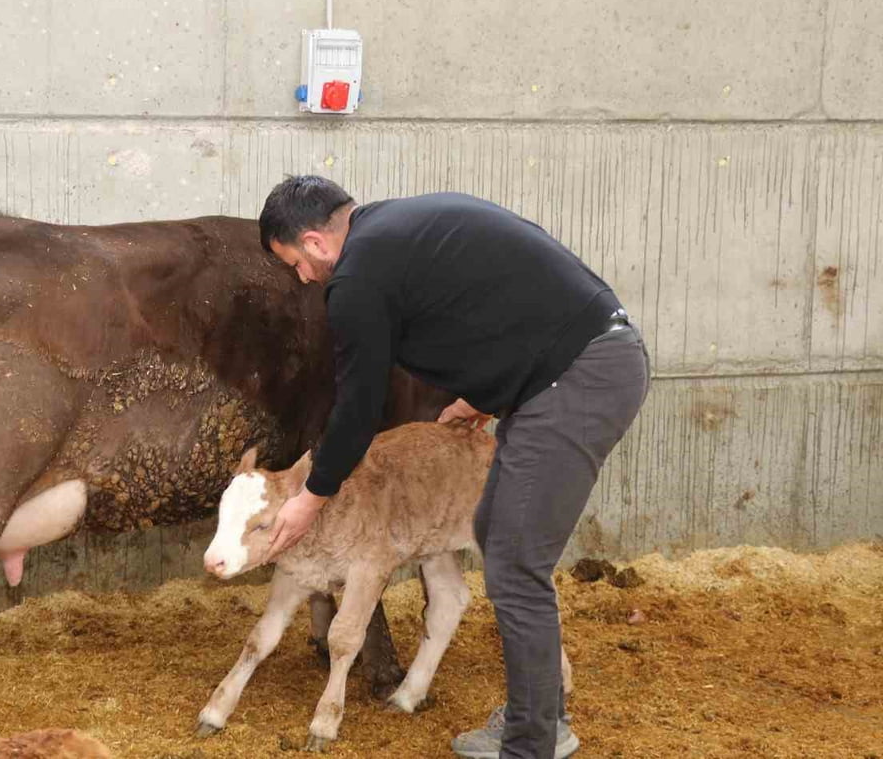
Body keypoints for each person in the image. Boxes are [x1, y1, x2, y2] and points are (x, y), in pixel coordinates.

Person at [257, 176, 650, 759]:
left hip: (578, 381)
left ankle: (531, 742)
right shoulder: (398, 229)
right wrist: (486, 395)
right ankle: (540, 718)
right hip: (581, 365)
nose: (301, 278)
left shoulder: (357, 275)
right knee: (496, 531)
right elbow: (503, 303)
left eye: (293, 263)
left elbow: (358, 407)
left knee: (515, 564)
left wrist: (311, 497)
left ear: (315, 242)